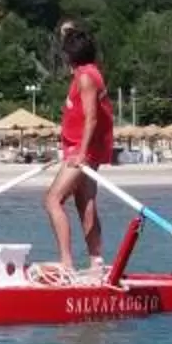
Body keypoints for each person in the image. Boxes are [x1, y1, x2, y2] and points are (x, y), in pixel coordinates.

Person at [44, 21, 114, 278]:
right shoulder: (90, 70)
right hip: (82, 148)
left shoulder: (85, 78)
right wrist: (67, 30)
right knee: (85, 202)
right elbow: (74, 38)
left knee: (52, 200)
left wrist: (82, 153)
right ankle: (96, 263)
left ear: (70, 56)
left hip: (82, 149)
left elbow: (92, 118)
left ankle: (66, 262)